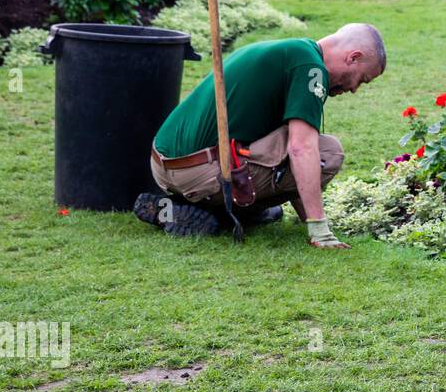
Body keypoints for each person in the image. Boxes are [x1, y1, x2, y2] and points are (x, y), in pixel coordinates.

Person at [134, 23, 385, 248]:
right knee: (329, 152)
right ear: (353, 57)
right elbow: (301, 150)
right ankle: (222, 212)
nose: (353, 89)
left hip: (164, 164)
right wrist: (320, 229)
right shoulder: (311, 70)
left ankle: (187, 211)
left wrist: (305, 215)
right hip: (199, 172)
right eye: (361, 79)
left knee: (292, 159)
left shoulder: (290, 51)